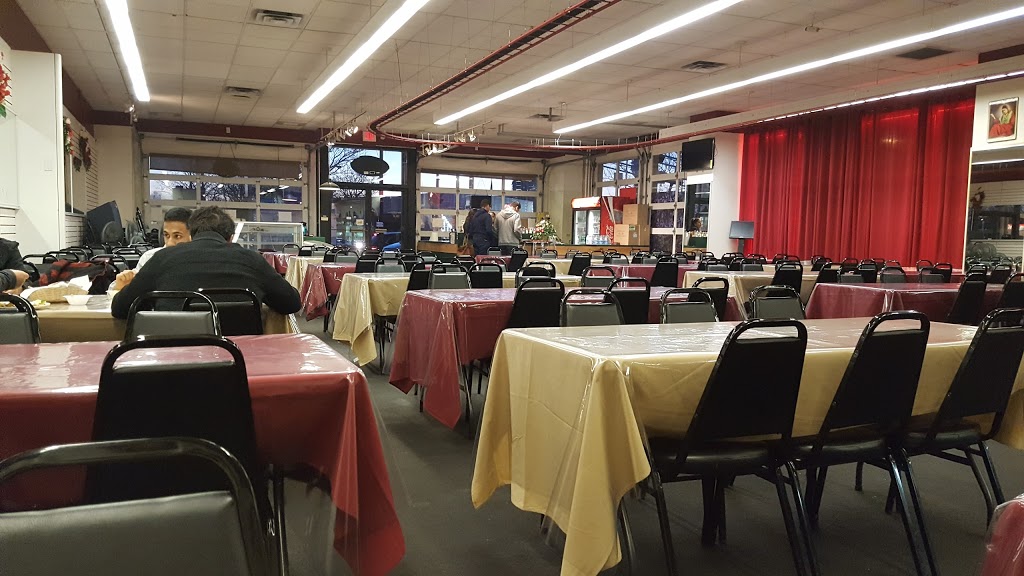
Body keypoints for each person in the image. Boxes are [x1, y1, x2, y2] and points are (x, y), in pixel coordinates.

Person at [110, 206, 300, 319]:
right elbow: (291, 303)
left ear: (192, 234)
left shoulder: (162, 259)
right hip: (240, 361)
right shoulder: (252, 260)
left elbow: (120, 309)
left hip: (175, 360)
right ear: (230, 238)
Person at [110, 207, 193, 290]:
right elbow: (114, 289)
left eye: (177, 236)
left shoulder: (198, 260)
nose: (170, 243)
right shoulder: (150, 257)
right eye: (166, 235)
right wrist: (121, 286)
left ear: (192, 236)